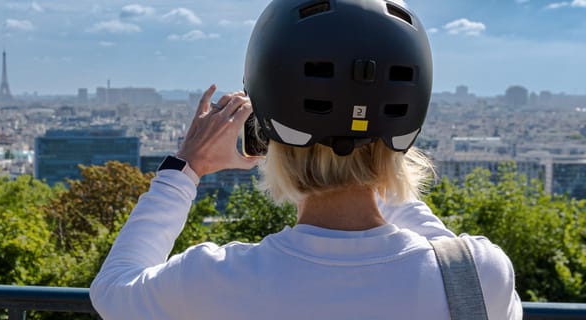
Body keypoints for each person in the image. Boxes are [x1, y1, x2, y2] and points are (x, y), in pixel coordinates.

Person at [89, 0, 522, 319]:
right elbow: (445, 260)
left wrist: (185, 168)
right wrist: (372, 156)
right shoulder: (481, 276)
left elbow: (111, 290)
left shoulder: (214, 281)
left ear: (262, 128)